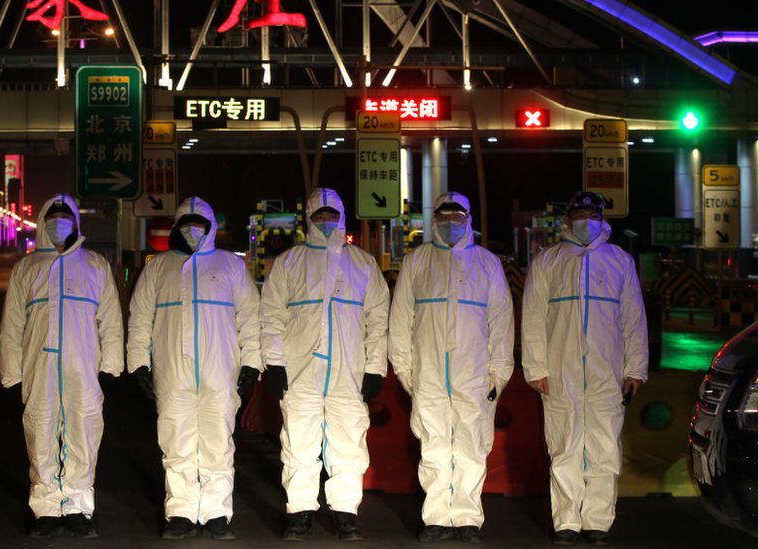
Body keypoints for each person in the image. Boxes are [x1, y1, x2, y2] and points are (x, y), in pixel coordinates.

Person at [127, 196, 262, 541]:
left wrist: (251, 363)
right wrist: (138, 362)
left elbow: (250, 319)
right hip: (173, 372)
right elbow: (140, 318)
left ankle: (217, 513)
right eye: (185, 223)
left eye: (198, 223)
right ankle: (181, 513)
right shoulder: (159, 268)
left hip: (221, 371)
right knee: (177, 442)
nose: (192, 230)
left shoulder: (230, 266)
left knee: (218, 443)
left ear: (210, 227)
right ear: (176, 226)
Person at [260, 187, 390, 541]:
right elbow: (270, 316)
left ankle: (345, 513)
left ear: (343, 216)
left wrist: (375, 367)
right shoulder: (290, 262)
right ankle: (299, 511)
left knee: (348, 442)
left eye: (332, 215)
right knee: (299, 442)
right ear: (309, 220)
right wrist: (274, 363)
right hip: (300, 371)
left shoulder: (363, 264)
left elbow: (379, 321)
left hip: (349, 372)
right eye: (320, 216)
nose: (327, 222)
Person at [521, 191, 649, 546]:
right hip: (560, 372)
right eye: (578, 213)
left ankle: (597, 522)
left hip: (607, 372)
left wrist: (635, 368)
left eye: (591, 213)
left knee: (604, 448)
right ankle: (566, 522)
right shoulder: (548, 262)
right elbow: (532, 318)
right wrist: (535, 368)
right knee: (564, 447)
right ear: (567, 219)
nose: (584, 219)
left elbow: (634, 319)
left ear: (602, 217)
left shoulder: (619, 261)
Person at [388, 192, 514, 543]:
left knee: (472, 446)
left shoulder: (486, 263)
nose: (451, 223)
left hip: (473, 373)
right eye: (444, 216)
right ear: (434, 219)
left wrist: (498, 371)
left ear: (469, 218)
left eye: (458, 216)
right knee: (433, 446)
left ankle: (468, 519)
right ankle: (437, 518)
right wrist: (404, 367)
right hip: (427, 372)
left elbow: (501, 320)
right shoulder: (418, 262)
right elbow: (400, 319)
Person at [0, 193, 124, 539]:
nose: (58, 223)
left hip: (83, 369)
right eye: (52, 217)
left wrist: (111, 367)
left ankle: (78, 508)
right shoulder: (26, 268)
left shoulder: (95, 266)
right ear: (42, 222)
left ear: (75, 222)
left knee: (83, 436)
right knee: (40, 435)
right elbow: (11, 327)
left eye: (64, 216)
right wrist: (11, 376)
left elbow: (111, 321)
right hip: (38, 368)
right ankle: (46, 509)